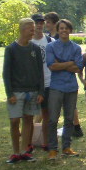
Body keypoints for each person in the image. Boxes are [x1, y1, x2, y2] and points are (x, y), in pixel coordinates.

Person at [3, 18, 45, 164]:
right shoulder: (11, 49)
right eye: (30, 29)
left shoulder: (35, 49)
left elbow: (40, 72)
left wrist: (41, 92)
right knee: (14, 121)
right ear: (22, 29)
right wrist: (9, 93)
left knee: (28, 120)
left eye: (34, 29)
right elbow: (6, 73)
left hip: (33, 91)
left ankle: (24, 151)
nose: (33, 32)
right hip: (16, 92)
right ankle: (15, 152)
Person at [46, 19, 83, 158]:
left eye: (66, 28)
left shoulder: (76, 48)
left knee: (69, 119)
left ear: (70, 30)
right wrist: (70, 63)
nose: (64, 30)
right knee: (53, 119)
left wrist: (60, 63)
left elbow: (78, 68)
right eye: (61, 28)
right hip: (56, 87)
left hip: (71, 87)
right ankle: (52, 149)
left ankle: (66, 147)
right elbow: (51, 66)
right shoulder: (51, 47)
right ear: (58, 30)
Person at [29, 13, 53, 150]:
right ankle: (28, 143)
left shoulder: (50, 41)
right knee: (28, 116)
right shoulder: (28, 42)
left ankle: (45, 142)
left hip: (48, 82)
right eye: (36, 23)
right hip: (32, 84)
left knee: (46, 114)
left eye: (41, 23)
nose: (39, 25)